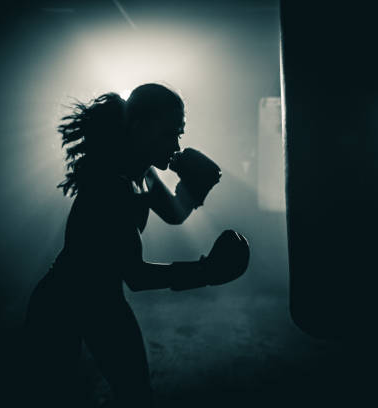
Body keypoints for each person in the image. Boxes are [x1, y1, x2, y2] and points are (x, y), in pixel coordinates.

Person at [24, 83, 250, 407]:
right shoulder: (112, 185)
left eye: (179, 133)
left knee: (136, 396)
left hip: (105, 301)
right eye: (168, 134)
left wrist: (193, 190)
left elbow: (174, 213)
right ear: (139, 127)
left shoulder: (143, 172)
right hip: (62, 303)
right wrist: (206, 272)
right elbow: (137, 276)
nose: (176, 144)